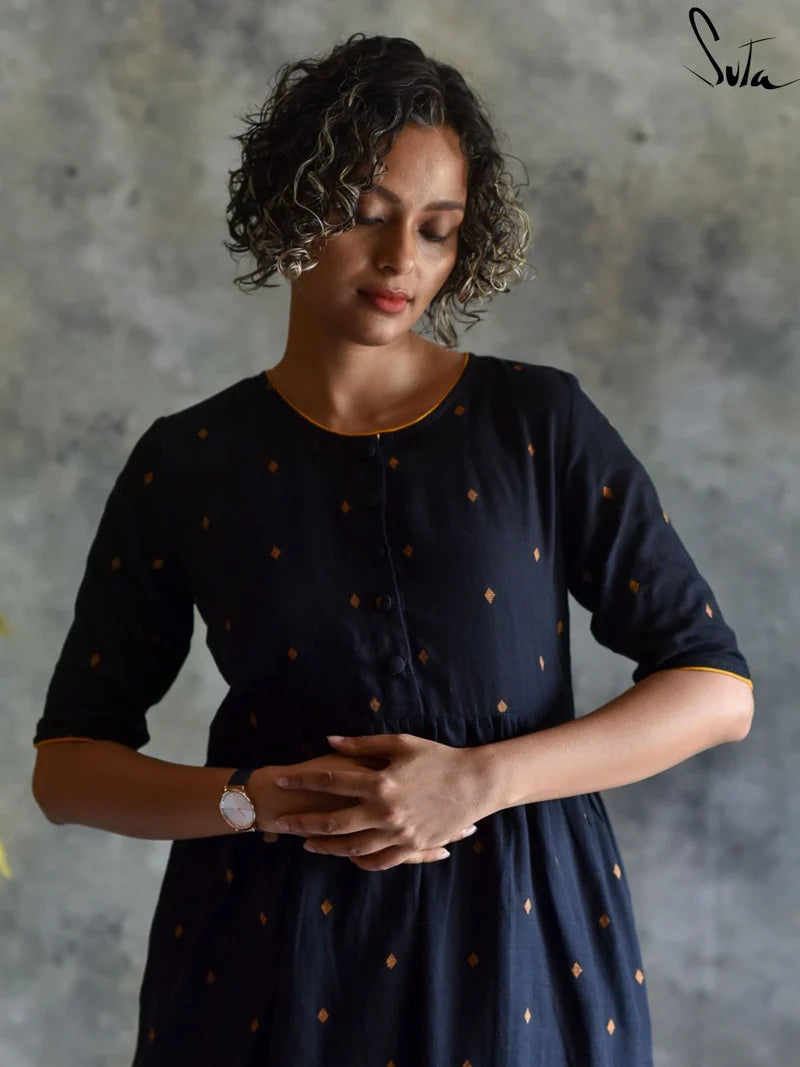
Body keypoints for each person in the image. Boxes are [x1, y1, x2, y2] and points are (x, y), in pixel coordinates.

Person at [31, 32, 753, 1067]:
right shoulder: (189, 459)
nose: (400, 260)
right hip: (266, 961)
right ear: (291, 205)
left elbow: (715, 689)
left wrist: (477, 779)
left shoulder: (535, 421)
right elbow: (68, 769)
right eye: (366, 216)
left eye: (436, 229)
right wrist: (249, 798)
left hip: (519, 937)